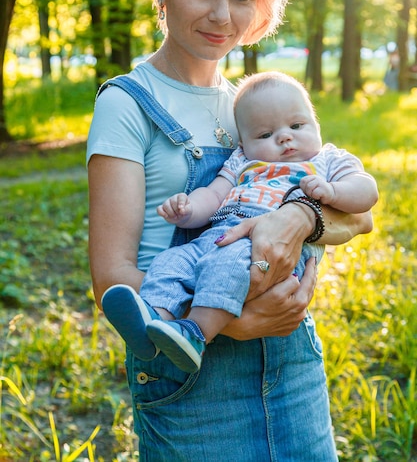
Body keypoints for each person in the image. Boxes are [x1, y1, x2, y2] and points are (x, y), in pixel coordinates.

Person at [87, 0, 374, 461]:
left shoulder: (256, 105)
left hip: (290, 355)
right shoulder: (128, 104)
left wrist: (299, 214)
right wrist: (232, 323)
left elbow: (357, 213)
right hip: (190, 372)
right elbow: (111, 278)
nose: (223, 14)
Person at [101, 71, 378, 374]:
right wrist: (187, 210)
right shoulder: (243, 161)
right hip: (219, 236)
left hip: (262, 250)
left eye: (297, 126)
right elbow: (214, 194)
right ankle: (157, 323)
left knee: (227, 265)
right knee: (172, 261)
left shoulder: (327, 161)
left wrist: (333, 191)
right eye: (265, 135)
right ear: (244, 143)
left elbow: (367, 193)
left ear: (316, 125)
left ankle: (195, 334)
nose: (285, 137)